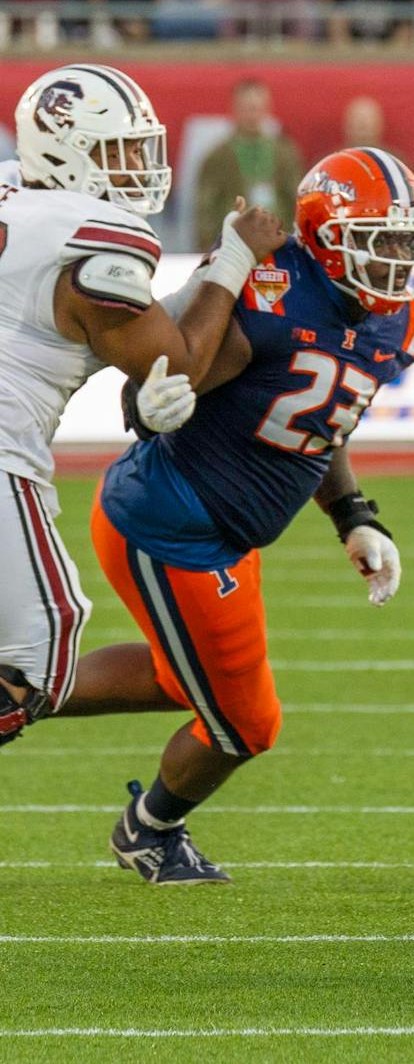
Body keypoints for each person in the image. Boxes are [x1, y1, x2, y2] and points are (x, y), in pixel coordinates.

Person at [54, 147, 414, 884]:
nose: (396, 258)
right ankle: (151, 829)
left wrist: (353, 511)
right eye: (379, 239)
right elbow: (160, 386)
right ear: (327, 235)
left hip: (223, 535)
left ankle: (24, 685)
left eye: (405, 240)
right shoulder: (267, 294)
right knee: (244, 722)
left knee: (185, 678)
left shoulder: (401, 322)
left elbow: (325, 421)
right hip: (172, 525)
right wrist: (150, 400)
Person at [0, 62, 284, 750]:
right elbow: (177, 362)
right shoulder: (91, 234)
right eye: (119, 150)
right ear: (66, 151)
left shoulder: (15, 196)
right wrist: (232, 261)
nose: (137, 166)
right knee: (43, 652)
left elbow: (119, 341)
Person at [194, 78, 304, 250]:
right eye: (246, 108)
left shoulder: (284, 152)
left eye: (256, 108)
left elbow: (297, 200)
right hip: (232, 246)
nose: (252, 115)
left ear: (267, 109)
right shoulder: (218, 156)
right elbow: (205, 210)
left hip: (279, 243)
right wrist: (208, 248)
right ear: (234, 109)